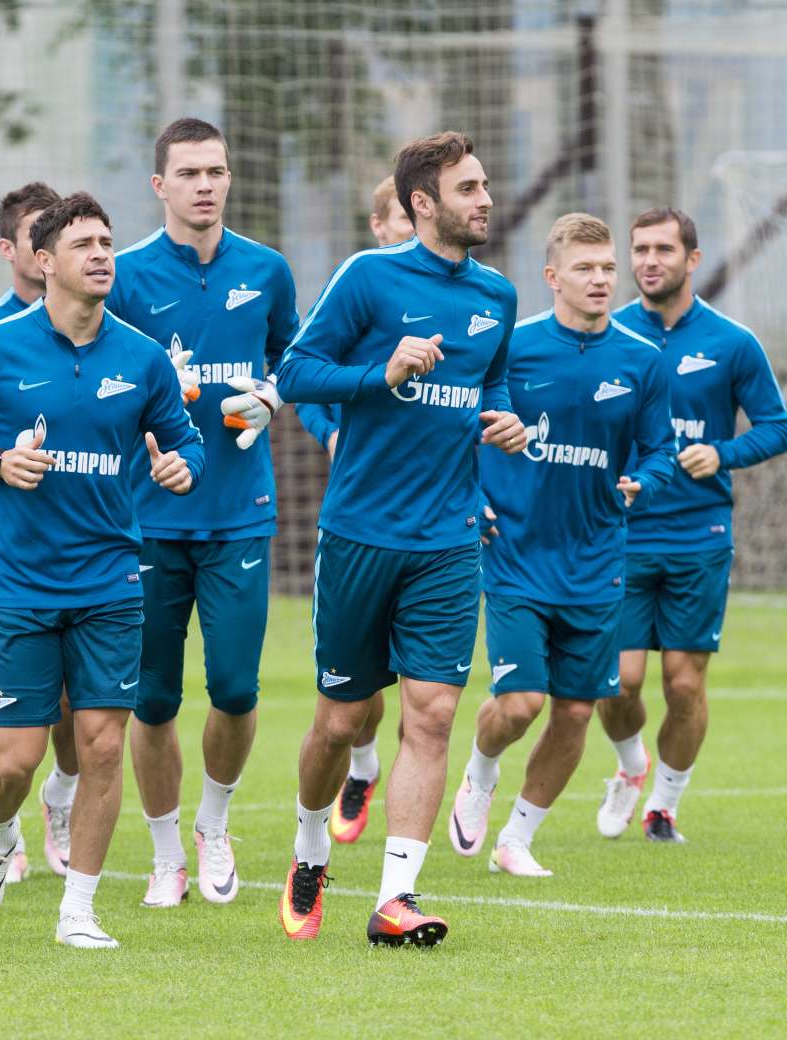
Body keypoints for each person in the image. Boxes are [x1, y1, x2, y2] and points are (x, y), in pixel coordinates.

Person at [272, 131, 524, 946]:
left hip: (448, 538)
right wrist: (379, 374)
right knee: (341, 723)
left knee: (434, 712)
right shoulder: (367, 277)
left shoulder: (498, 294)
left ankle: (395, 899)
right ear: (422, 202)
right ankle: (311, 848)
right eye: (468, 188)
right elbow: (295, 374)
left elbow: (493, 382)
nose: (485, 200)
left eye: (484, 186)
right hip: (360, 534)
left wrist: (507, 418)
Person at [0, 191, 205, 948]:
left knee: (103, 745)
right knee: (14, 762)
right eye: (83, 244)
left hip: (111, 577)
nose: (101, 255)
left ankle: (78, 910)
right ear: (44, 261)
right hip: (19, 582)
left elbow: (186, 440)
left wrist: (183, 466)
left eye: (107, 243)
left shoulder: (142, 357)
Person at [105, 117, 298, 908]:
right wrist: (148, 423)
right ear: (160, 185)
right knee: (152, 699)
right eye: (188, 173)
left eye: (215, 171)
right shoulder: (125, 277)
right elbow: (97, 383)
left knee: (236, 689)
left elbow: (295, 359)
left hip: (240, 513)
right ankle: (165, 856)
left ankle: (214, 825)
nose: (205, 185)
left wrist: (271, 396)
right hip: (148, 520)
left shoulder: (268, 270)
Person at [449, 213, 675, 876]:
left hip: (597, 559)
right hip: (515, 551)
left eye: (608, 268)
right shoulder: (512, 348)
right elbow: (456, 430)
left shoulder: (642, 360)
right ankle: (481, 771)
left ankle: (516, 841)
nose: (600, 279)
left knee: (576, 710)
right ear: (552, 276)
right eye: (585, 268)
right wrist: (472, 498)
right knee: (521, 704)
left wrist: (645, 482)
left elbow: (661, 450)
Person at [595, 207, 787, 842]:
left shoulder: (733, 342)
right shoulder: (609, 333)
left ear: (692, 259)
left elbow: (777, 428)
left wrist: (723, 453)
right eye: (640, 250)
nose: (649, 261)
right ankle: (631, 765)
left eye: (663, 249)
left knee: (683, 685)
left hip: (698, 535)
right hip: (622, 532)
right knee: (617, 683)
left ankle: (663, 807)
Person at [296, 174, 414, 847]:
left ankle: (402, 862)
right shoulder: (359, 285)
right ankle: (362, 766)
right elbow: (303, 378)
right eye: (400, 218)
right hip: (361, 512)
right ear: (379, 225)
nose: (411, 230)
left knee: (423, 698)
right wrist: (331, 432)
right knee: (354, 699)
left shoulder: (468, 295)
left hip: (435, 524)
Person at [0, 181, 79, 883]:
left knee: (74, 699)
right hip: (4, 552)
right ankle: (1, 829)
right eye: (40, 235)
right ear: (13, 250)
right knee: (1, 699)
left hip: (86, 550)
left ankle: (60, 798)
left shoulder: (103, 330)